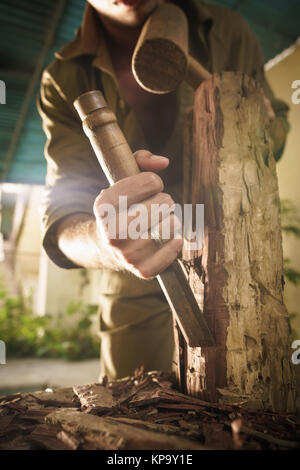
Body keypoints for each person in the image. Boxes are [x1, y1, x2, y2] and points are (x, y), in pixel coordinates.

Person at [38, 0, 290, 380]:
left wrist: (263, 124)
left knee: (252, 400)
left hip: (239, 258)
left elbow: (276, 138)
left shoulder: (229, 31)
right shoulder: (62, 79)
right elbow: (62, 220)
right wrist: (106, 242)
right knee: (139, 407)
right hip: (138, 274)